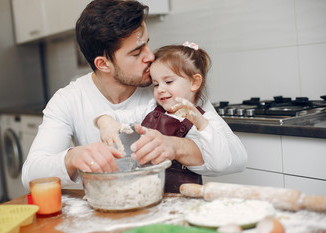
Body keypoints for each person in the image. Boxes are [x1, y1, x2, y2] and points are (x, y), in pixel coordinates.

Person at [21, 0, 247, 191]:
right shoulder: (69, 100)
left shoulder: (169, 87)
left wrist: (175, 147)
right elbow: (31, 175)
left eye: (147, 44)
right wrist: (72, 158)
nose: (150, 56)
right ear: (103, 64)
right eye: (137, 52)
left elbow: (235, 158)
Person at [95, 43, 247, 192]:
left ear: (194, 82)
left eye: (168, 82)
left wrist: (201, 123)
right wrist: (105, 121)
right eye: (155, 84)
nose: (160, 89)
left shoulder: (207, 121)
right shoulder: (150, 109)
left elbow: (219, 164)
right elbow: (119, 114)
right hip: (147, 193)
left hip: (182, 200)